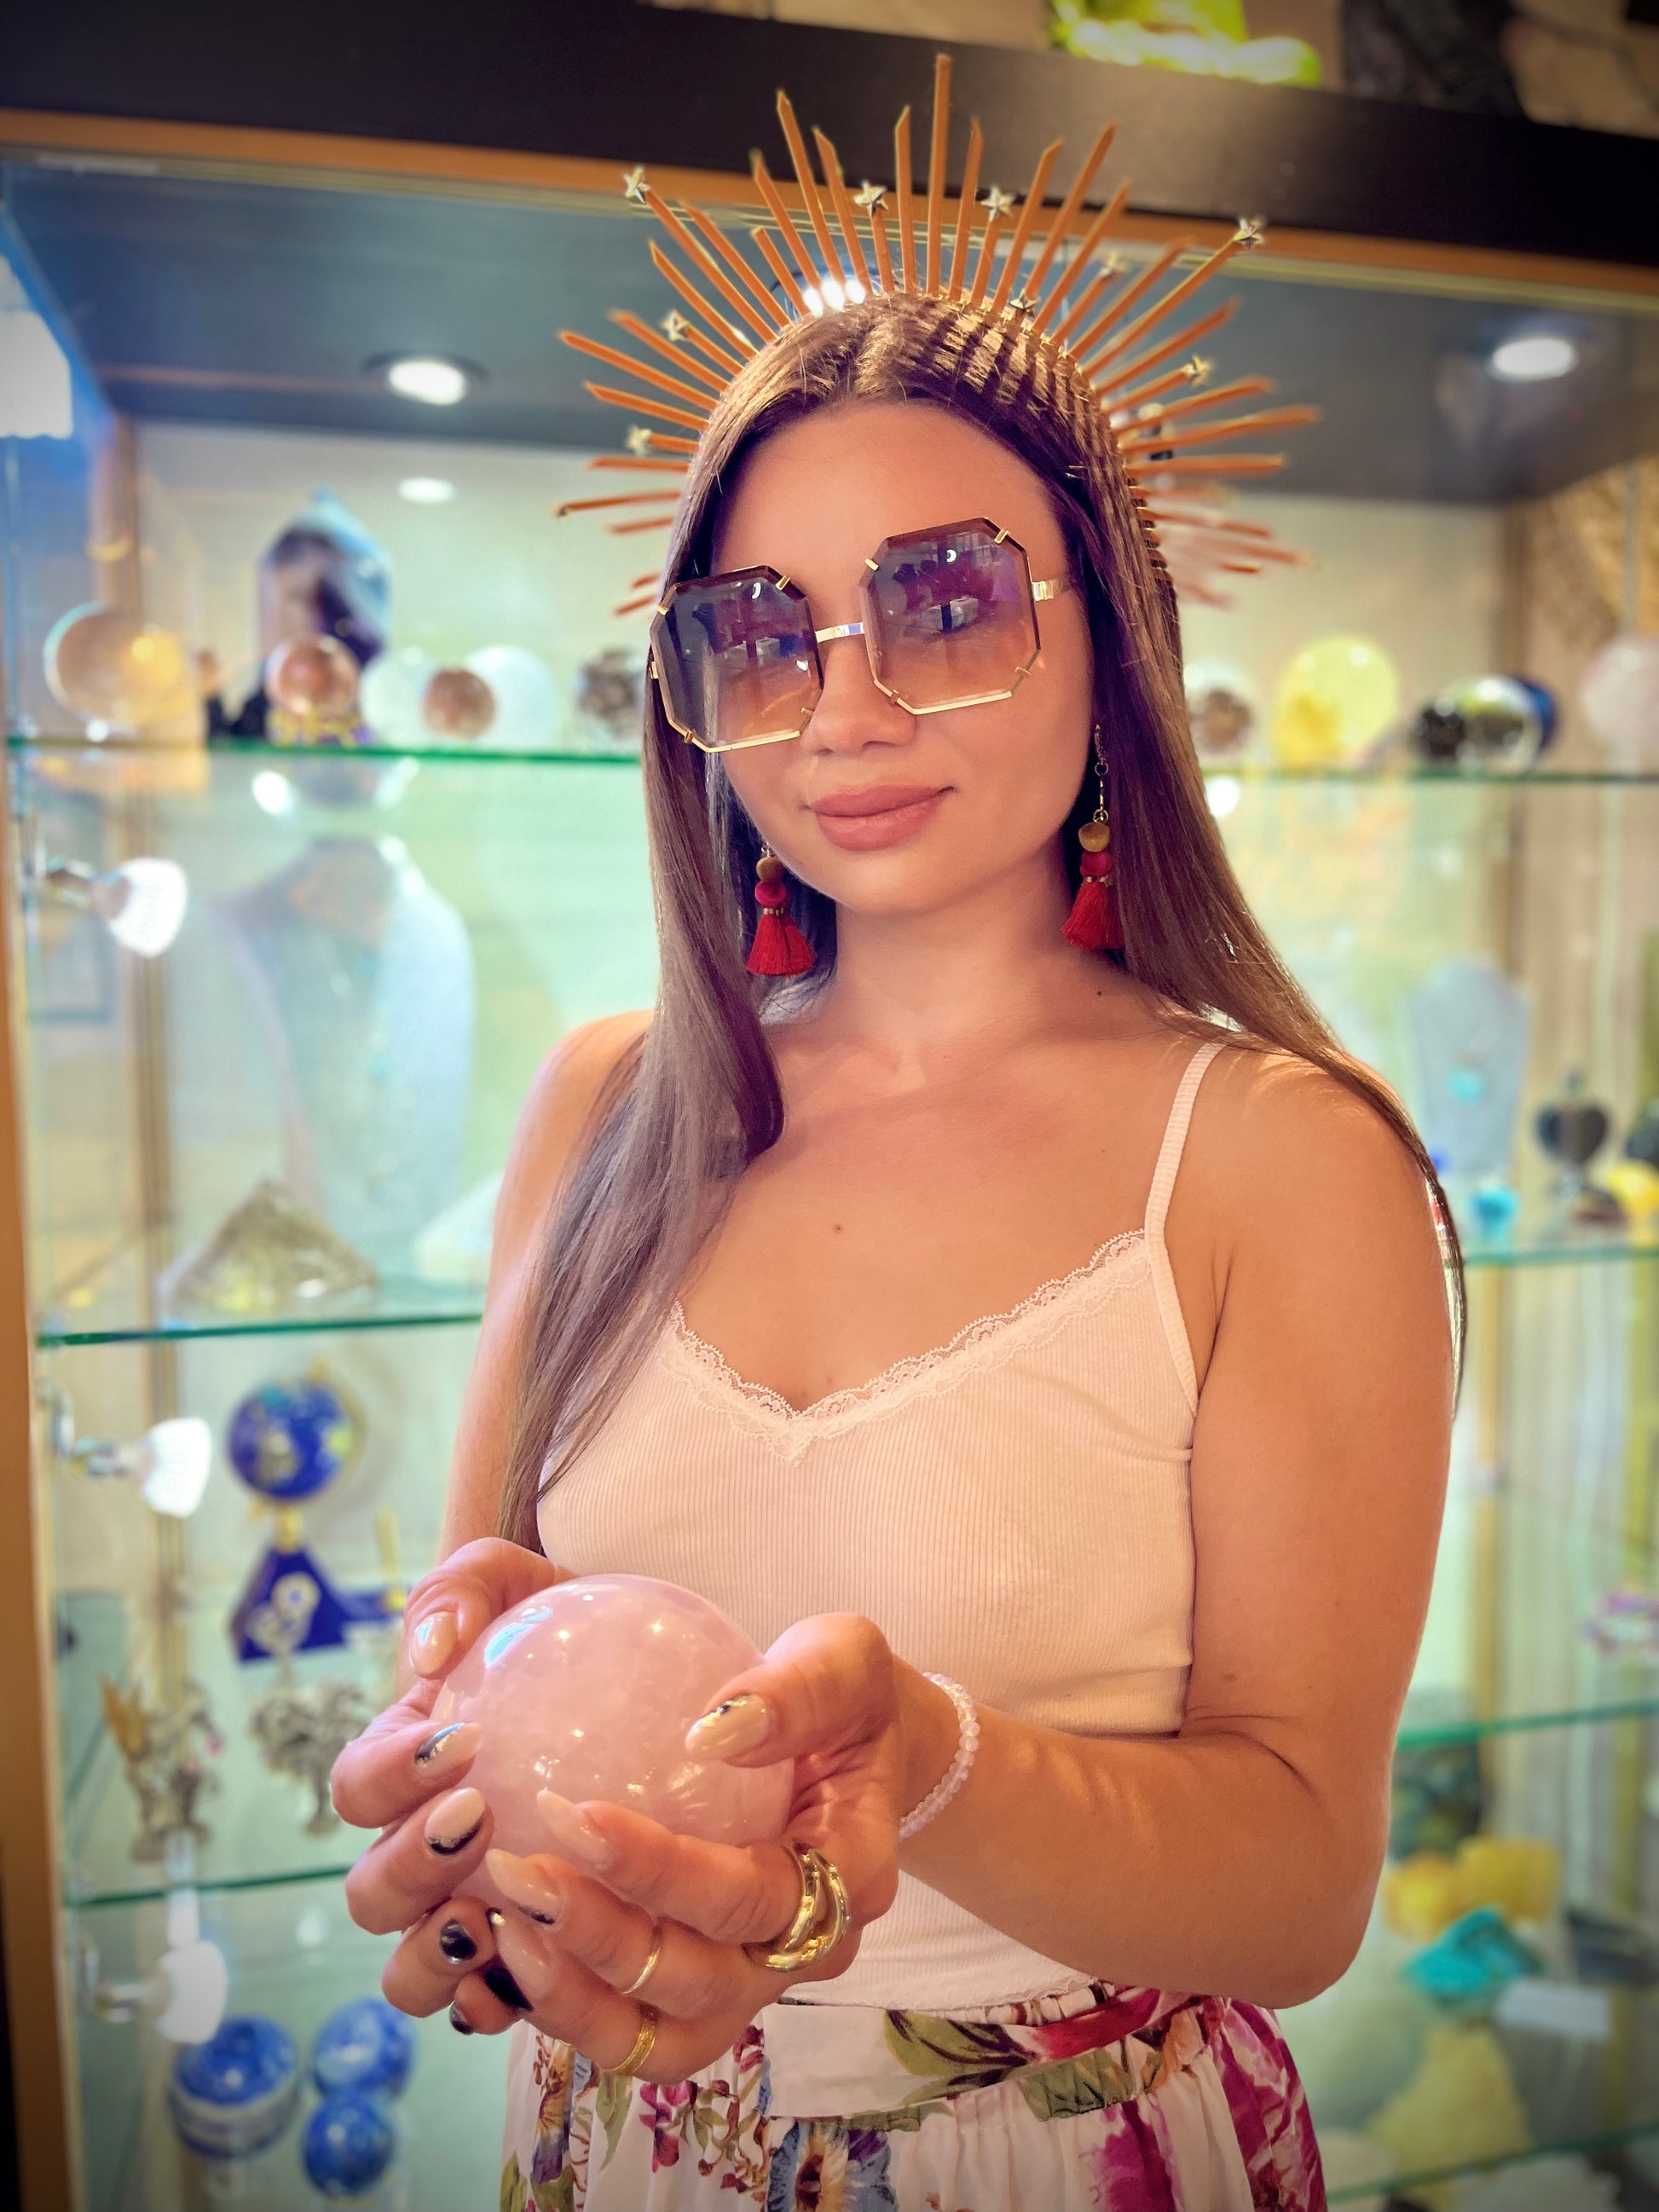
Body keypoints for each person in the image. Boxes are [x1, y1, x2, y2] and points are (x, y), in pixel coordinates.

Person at [332, 100, 1455, 2211]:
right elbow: (486, 1639)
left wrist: (927, 1757)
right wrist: (466, 1814)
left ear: (1111, 630)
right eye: (762, 633)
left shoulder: (1274, 1162)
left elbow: (1303, 1878)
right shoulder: (605, 1105)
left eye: (945, 600)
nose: (841, 710)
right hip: (619, 2140)